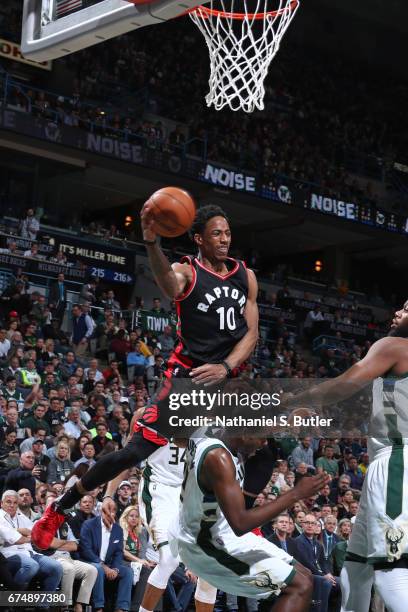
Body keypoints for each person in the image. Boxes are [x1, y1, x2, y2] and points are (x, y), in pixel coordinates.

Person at [32, 204, 259, 549]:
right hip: (190, 379)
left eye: (227, 232)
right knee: (131, 454)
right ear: (199, 238)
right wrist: (152, 242)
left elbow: (251, 335)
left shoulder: (246, 275)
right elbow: (168, 284)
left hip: (227, 381)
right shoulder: (187, 271)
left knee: (255, 446)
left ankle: (243, 523)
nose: (225, 239)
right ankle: (59, 508)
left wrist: (226, 368)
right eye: (216, 233)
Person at [283, 299, 408, 612]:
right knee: (356, 564)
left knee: (390, 570)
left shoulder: (395, 346)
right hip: (393, 462)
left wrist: (295, 402)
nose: (396, 311)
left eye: (406, 308)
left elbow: (345, 384)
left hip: (395, 461)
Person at [175, 432, 329, 611]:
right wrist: (296, 493)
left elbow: (177, 437)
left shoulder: (209, 431)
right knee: (300, 586)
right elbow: (241, 524)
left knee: (306, 576)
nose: (264, 443)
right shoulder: (218, 457)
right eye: (261, 437)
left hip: (220, 532)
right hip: (204, 545)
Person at [138, 441, 217, 612]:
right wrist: (108, 493)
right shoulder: (148, 415)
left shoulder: (213, 425)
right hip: (160, 488)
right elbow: (125, 457)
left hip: (190, 492)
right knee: (169, 559)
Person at [0, 490, 63, 593]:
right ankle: (13, 600)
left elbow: (36, 533)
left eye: (15, 503)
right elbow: (16, 539)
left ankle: (43, 606)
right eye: (8, 502)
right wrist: (26, 535)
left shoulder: (21, 517)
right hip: (9, 556)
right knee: (31, 565)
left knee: (56, 567)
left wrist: (24, 533)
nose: (12, 505)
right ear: (2, 503)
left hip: (29, 553)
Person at [78, 498, 133, 612]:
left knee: (128, 572)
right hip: (90, 562)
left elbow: (118, 552)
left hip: (109, 565)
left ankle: (121, 608)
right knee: (98, 568)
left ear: (115, 513)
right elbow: (85, 550)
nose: (109, 513)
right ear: (101, 511)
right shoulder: (89, 524)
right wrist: (104, 566)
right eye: (107, 510)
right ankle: (99, 607)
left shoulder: (117, 529)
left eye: (113, 510)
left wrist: (116, 569)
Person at [292, 513, 339, 612]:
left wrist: (328, 573)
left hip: (318, 574)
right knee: (325, 582)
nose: (310, 525)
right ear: (302, 525)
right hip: (306, 574)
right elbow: (307, 564)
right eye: (307, 523)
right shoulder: (297, 542)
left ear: (316, 526)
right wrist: (323, 575)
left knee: (341, 582)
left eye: (313, 523)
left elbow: (323, 563)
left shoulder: (318, 544)